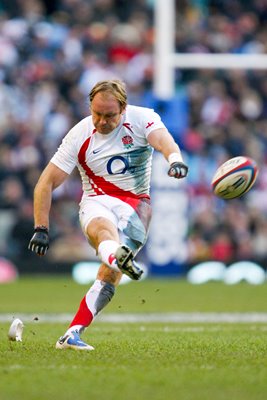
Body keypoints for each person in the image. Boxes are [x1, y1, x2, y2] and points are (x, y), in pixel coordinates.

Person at [28, 79, 188, 351]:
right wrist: (41, 227)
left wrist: (174, 160)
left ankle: (71, 334)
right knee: (104, 230)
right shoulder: (79, 134)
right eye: (96, 114)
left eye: (109, 115)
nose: (101, 122)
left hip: (136, 205)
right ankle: (117, 256)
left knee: (109, 276)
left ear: (123, 108)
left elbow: (164, 141)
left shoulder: (142, 119)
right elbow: (46, 182)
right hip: (96, 201)